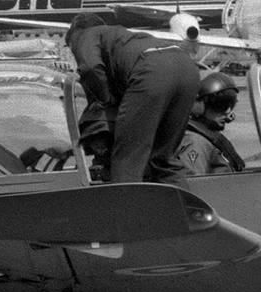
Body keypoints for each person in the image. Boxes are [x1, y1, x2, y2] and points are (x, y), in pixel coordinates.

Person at [65, 14, 200, 185]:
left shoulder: (83, 34)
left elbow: (91, 68)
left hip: (151, 71)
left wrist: (107, 99)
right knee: (164, 158)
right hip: (186, 68)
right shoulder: (123, 35)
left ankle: (125, 209)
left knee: (128, 158)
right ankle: (182, 209)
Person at [176, 72, 246, 176]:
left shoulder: (208, 138)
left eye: (231, 104)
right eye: (220, 104)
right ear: (199, 106)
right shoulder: (195, 142)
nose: (227, 111)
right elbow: (194, 186)